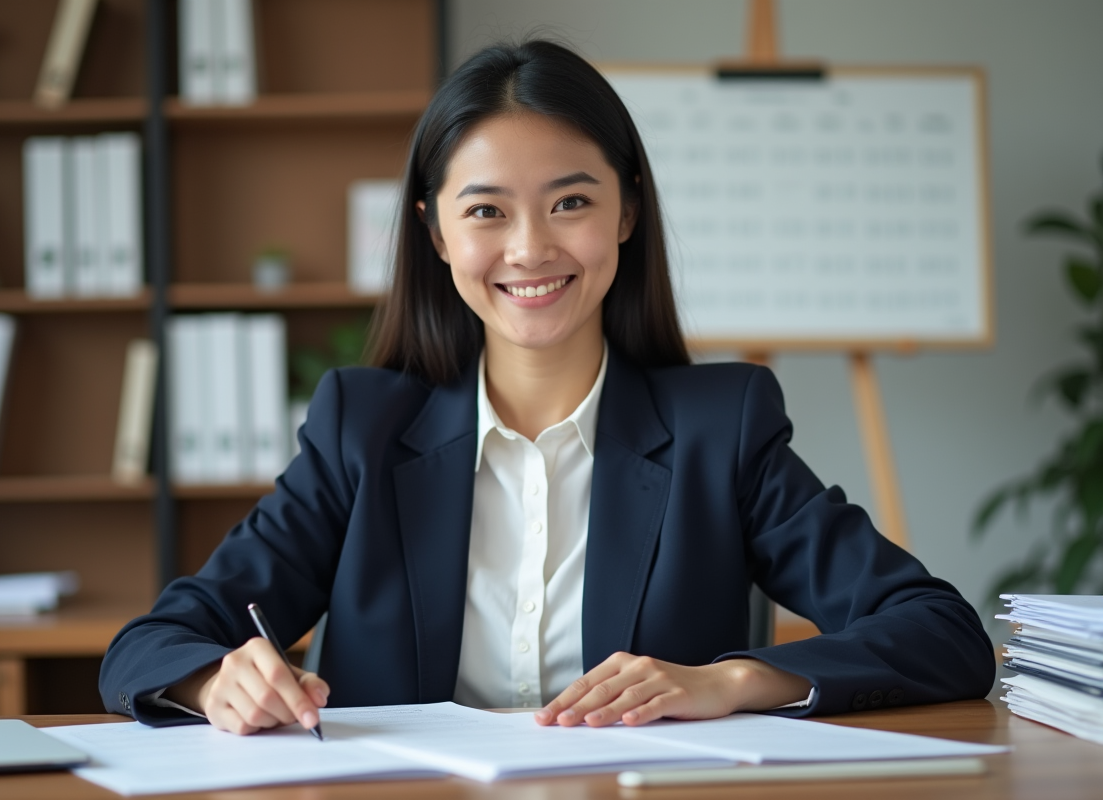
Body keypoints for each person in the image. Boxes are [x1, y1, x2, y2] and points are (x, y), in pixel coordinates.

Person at [100, 40, 994, 735]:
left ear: (627, 212)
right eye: (486, 210)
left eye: (571, 202)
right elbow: (146, 648)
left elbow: (941, 633)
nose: (530, 249)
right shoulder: (360, 432)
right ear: (437, 232)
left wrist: (729, 682)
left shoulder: (722, 430)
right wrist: (217, 678)